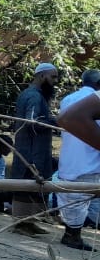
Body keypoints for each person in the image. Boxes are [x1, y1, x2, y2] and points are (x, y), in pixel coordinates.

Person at [9, 62, 59, 236]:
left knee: (32, 186)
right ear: (42, 76)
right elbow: (32, 123)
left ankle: (28, 222)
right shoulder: (34, 97)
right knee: (27, 184)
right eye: (53, 77)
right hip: (31, 152)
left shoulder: (31, 94)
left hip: (30, 149)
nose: (55, 81)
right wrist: (55, 122)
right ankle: (22, 224)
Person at [53, 69, 100, 250]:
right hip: (90, 157)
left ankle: (72, 233)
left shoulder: (68, 99)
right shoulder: (94, 101)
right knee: (85, 196)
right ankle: (72, 236)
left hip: (70, 157)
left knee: (74, 197)